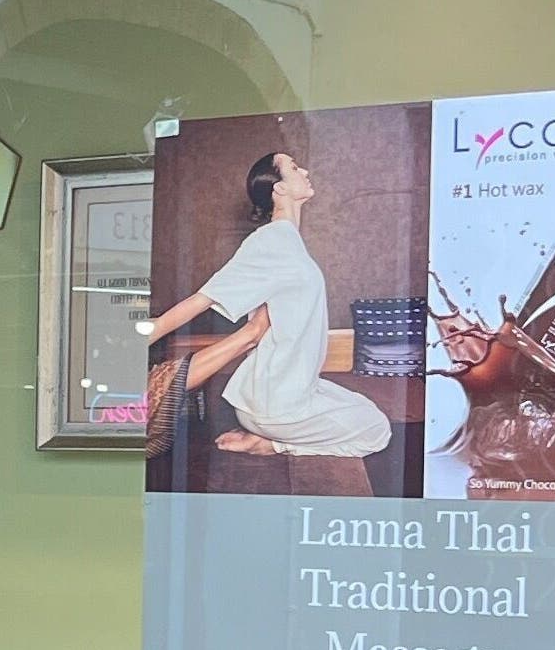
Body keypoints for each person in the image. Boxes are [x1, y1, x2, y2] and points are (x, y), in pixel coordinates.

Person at [139, 151, 391, 460]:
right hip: (276, 402)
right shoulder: (270, 241)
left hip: (291, 390)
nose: (306, 171)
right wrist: (146, 335)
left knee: (364, 408)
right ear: (279, 189)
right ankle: (272, 443)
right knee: (377, 429)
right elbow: (204, 298)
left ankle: (268, 433)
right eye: (295, 168)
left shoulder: (287, 240)